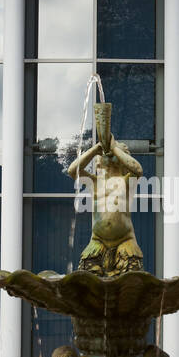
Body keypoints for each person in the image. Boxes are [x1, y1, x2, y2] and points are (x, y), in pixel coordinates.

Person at [68, 102, 144, 276]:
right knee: (87, 282)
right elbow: (73, 170)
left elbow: (138, 169)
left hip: (125, 241)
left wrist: (115, 149)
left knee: (130, 282)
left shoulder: (126, 180)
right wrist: (94, 149)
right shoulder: (94, 182)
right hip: (98, 241)